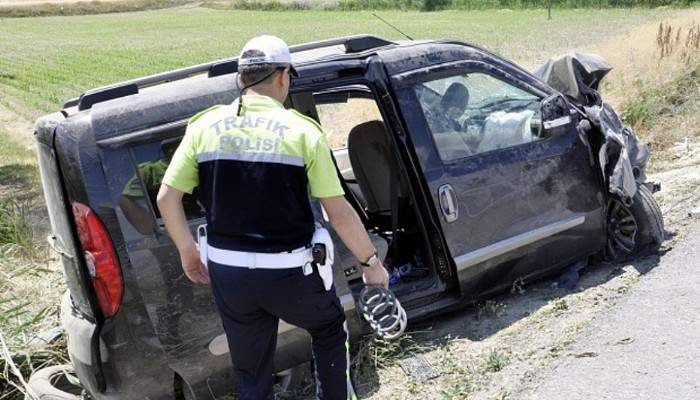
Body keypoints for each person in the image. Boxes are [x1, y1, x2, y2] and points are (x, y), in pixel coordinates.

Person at [156, 35, 389, 400]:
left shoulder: (204, 126)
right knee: (329, 329)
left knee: (252, 373)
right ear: (283, 76)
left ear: (240, 80)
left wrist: (188, 251)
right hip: (290, 274)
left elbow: (167, 197)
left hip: (229, 276)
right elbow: (337, 212)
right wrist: (371, 263)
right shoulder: (302, 132)